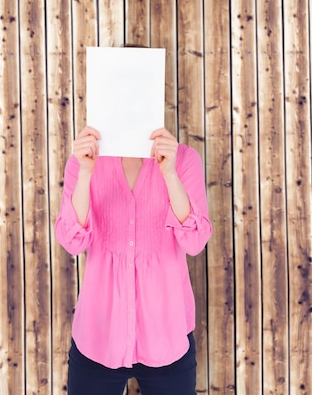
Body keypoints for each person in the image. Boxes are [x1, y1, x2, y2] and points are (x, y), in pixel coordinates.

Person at [56, 123, 212, 394]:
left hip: (166, 334)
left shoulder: (184, 159)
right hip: (99, 335)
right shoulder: (83, 162)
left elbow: (195, 242)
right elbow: (72, 241)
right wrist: (84, 173)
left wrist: (170, 175)